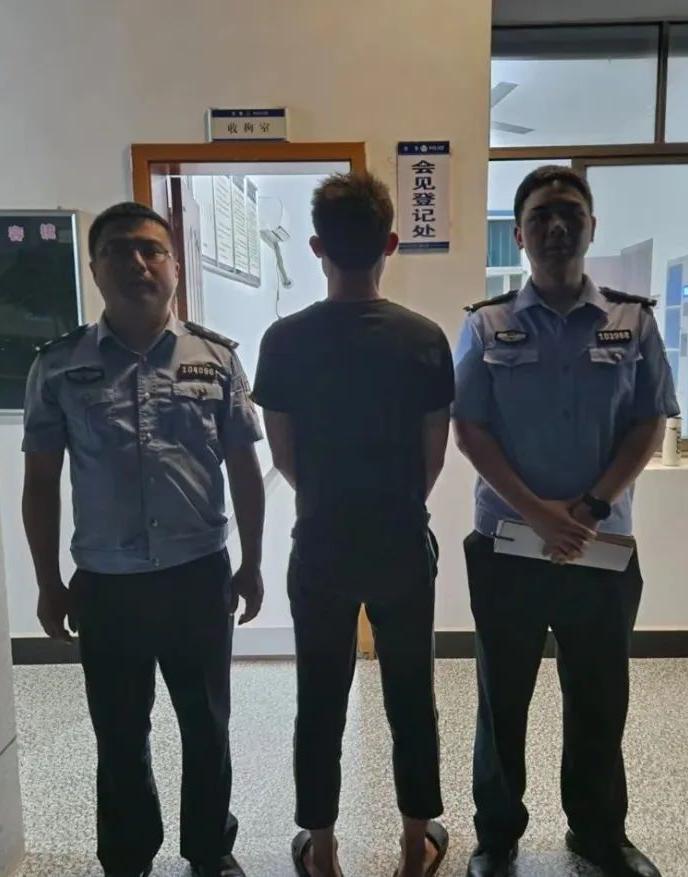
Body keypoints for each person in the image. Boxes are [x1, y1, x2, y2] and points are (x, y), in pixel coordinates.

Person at [22, 202, 265, 877]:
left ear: (175, 267)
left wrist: (252, 563)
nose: (138, 263)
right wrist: (47, 582)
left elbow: (245, 469)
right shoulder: (59, 366)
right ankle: (128, 856)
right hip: (108, 584)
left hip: (197, 574)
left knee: (207, 724)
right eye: (119, 250)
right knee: (120, 732)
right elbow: (40, 483)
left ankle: (210, 848)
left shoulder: (215, 358)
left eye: (152, 250)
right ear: (95, 268)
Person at [453, 166, 679, 877]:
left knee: (600, 695)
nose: (556, 227)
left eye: (570, 215)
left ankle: (598, 832)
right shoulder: (485, 323)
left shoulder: (633, 321)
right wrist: (537, 512)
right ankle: (497, 836)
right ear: (519, 234)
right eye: (541, 216)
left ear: (591, 228)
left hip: (600, 545)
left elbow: (647, 422)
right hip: (508, 545)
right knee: (502, 699)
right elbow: (470, 428)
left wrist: (587, 508)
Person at [252, 172, 454, 877]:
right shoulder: (424, 339)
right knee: (412, 695)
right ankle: (414, 846)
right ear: (390, 243)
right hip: (400, 540)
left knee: (319, 697)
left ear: (317, 247)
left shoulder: (283, 341)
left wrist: (331, 499)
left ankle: (323, 850)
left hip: (322, 544)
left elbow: (284, 454)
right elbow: (434, 454)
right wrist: (392, 503)